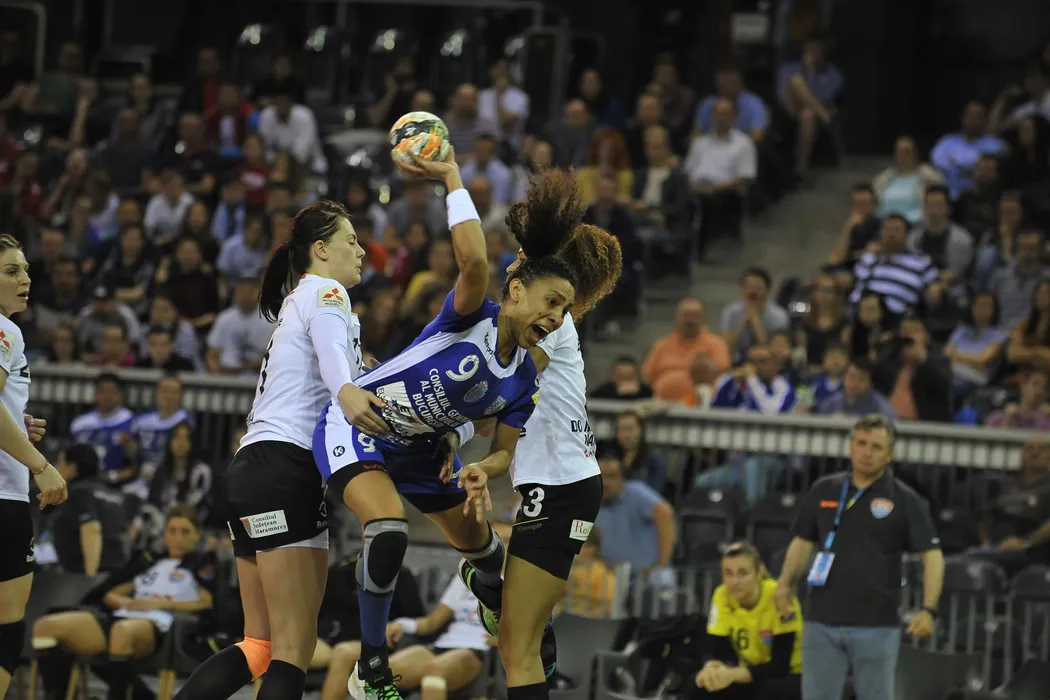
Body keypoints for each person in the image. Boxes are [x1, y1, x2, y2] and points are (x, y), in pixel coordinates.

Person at [313, 152, 582, 700]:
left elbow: (502, 447)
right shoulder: (471, 316)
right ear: (515, 292)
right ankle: (371, 668)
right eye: (551, 302)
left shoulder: (523, 379)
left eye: (563, 311)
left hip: (423, 450)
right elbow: (474, 260)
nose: (555, 318)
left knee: (489, 553)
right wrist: (453, 174)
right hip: (359, 424)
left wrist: (482, 468)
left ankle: (494, 596)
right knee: (388, 529)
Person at [172, 200, 370, 700]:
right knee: (293, 649)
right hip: (287, 468)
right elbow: (334, 364)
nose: (361, 251)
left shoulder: (298, 301)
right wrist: (349, 391)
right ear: (320, 250)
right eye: (350, 241)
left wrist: (357, 377)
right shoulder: (327, 291)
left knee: (260, 644)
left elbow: (331, 361)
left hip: (252, 469)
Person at [457, 172, 623, 700]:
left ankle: (495, 588)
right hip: (550, 485)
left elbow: (505, 384)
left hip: (563, 486)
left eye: (521, 261)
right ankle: (495, 589)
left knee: (518, 647)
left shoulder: (552, 325)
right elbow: (498, 407)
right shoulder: (536, 320)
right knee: (518, 643)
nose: (511, 268)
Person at [774, 414, 945, 700]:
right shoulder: (824, 489)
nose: (867, 452)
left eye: (876, 447)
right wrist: (784, 583)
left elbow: (933, 556)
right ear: (851, 445)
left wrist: (928, 609)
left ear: (890, 454)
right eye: (861, 443)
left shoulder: (906, 499)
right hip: (822, 620)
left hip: (876, 624)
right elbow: (803, 541)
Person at [33, 504, 214, 700]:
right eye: (172, 531)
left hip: (160, 622)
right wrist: (125, 603)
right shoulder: (151, 562)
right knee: (44, 627)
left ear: (197, 534)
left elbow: (206, 603)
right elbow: (110, 593)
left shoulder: (200, 564)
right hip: (124, 615)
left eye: (185, 532)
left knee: (121, 632)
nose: (177, 538)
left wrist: (156, 605)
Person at [0, 233, 67, 699]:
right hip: (3, 498)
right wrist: (41, 465)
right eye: (11, 271)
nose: (25, 278)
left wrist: (16, 423)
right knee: (7, 628)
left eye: (25, 269)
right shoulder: (6, 330)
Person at [320, 575, 492, 700]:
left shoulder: (508, 581)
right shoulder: (467, 575)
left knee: (434, 669)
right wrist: (402, 625)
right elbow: (431, 622)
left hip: (479, 647)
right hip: (443, 645)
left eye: (504, 541)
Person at [695, 542, 802, 699]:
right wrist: (710, 667)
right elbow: (714, 646)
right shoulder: (721, 595)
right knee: (700, 686)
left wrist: (732, 674)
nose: (734, 582)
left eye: (743, 573)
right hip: (750, 671)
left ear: (759, 573)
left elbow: (780, 665)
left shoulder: (780, 596)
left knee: (766, 690)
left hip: (791, 674)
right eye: (728, 574)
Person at [50, 443, 128, 575]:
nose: (57, 468)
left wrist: (90, 577)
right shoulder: (114, 494)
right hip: (116, 571)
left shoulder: (79, 492)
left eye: (60, 463)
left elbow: (92, 529)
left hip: (87, 574)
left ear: (72, 467)